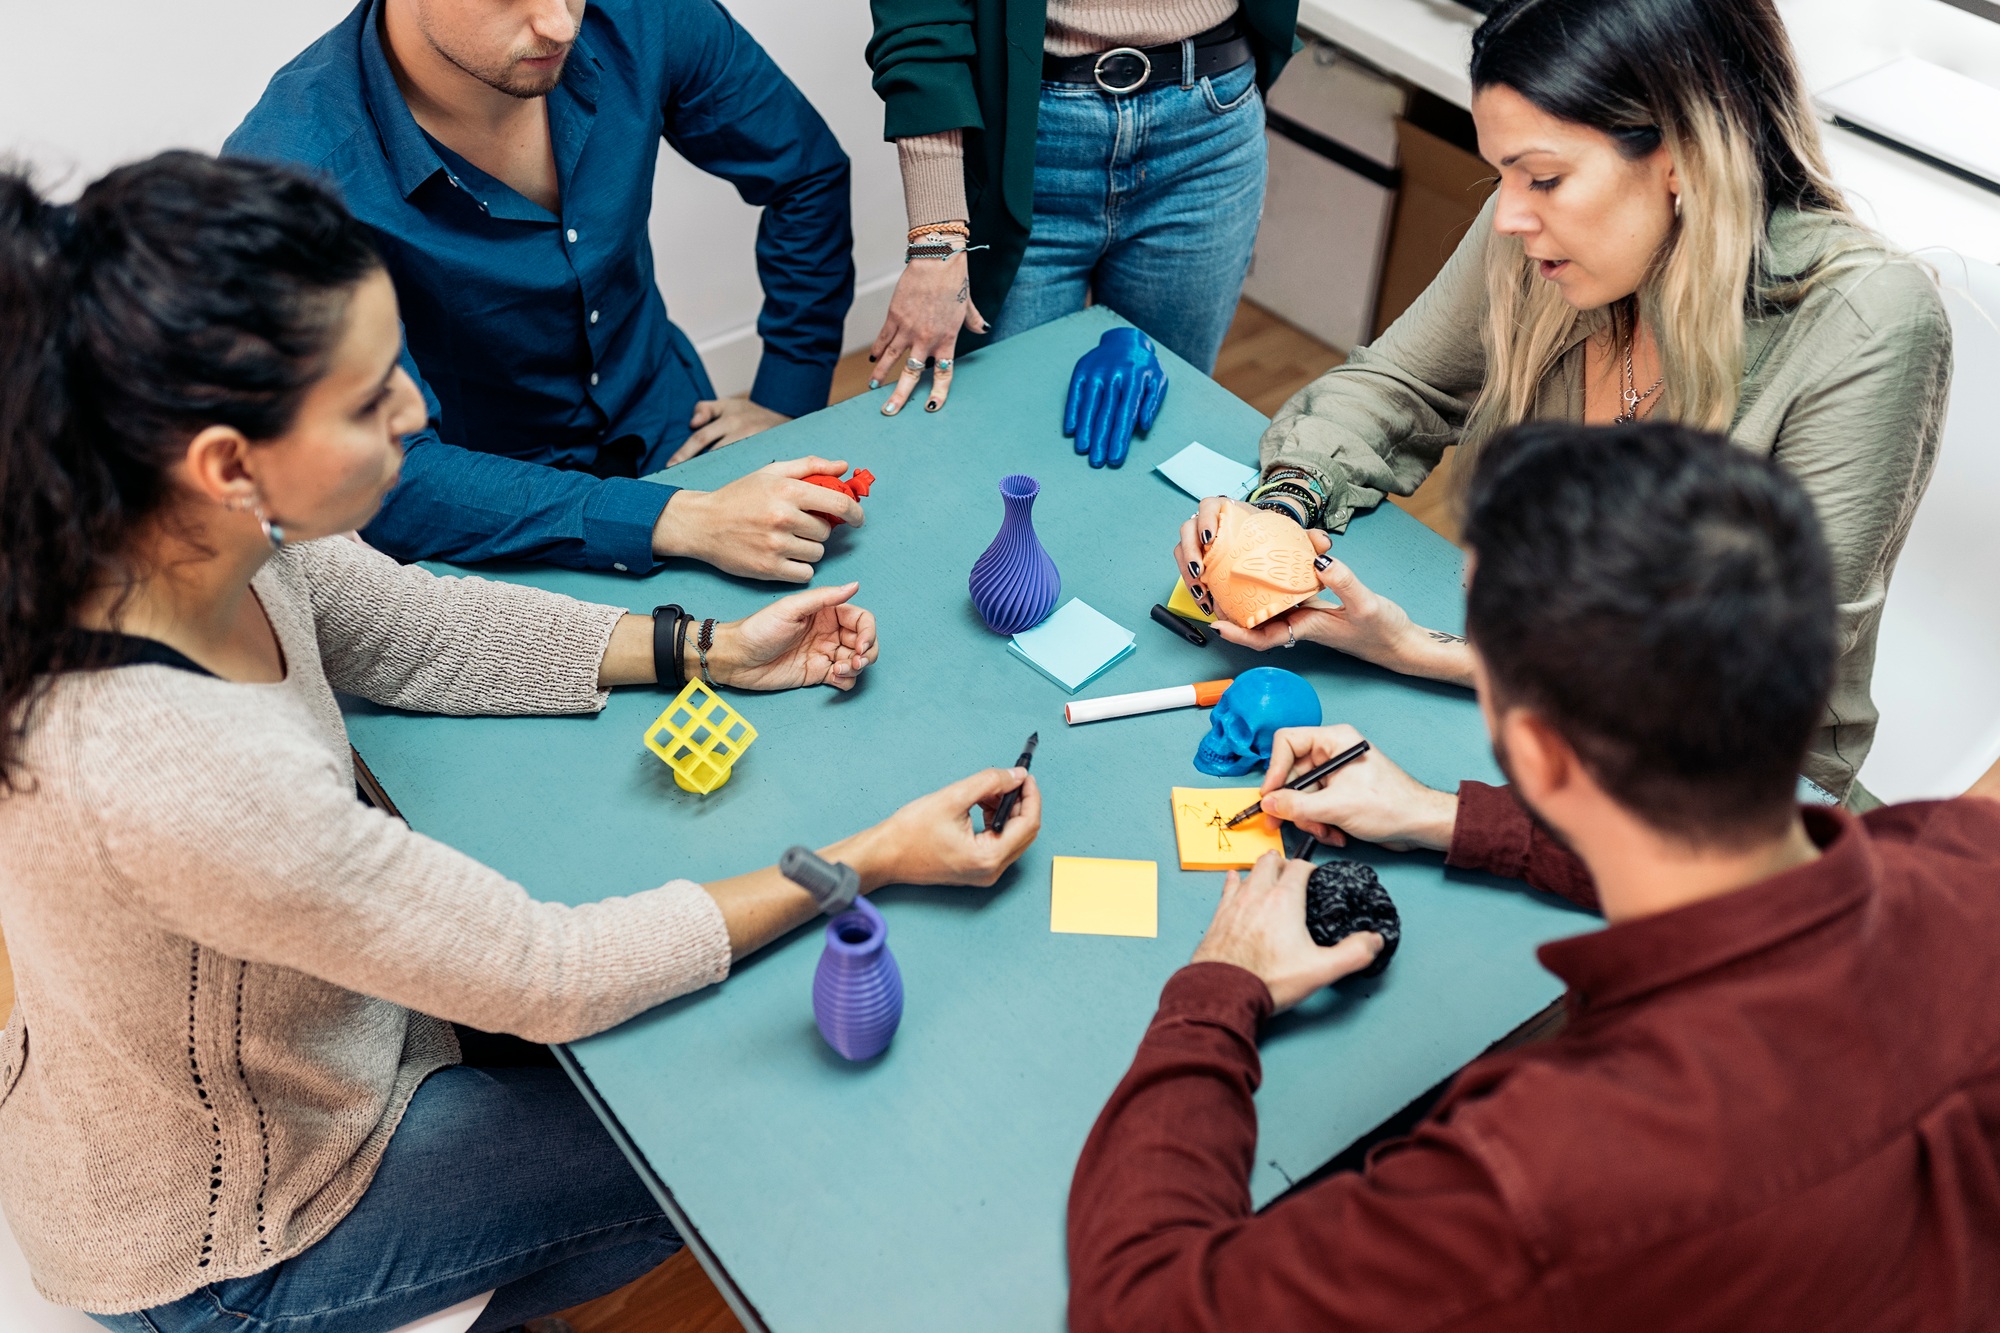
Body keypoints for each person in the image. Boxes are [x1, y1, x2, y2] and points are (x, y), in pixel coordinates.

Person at [0, 154, 1041, 1332]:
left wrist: (711, 648)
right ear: (228, 461)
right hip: (245, 1231)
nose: (414, 414)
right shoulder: (182, 774)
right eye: (364, 401)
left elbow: (410, 624)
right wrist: (869, 854)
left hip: (292, 1062)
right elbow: (552, 973)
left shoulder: (167, 527)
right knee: (715, 1154)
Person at [1071, 419, 2000, 1331]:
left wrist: (1215, 990)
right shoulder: (1961, 854)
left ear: (1533, 745)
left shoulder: (1547, 1177)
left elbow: (1140, 1306)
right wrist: (1444, 814)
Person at [1173, 0, 1952, 802]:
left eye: (1544, 178)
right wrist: (1285, 505)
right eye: (1504, 173)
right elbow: (1397, 385)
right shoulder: (1539, 236)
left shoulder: (1869, 324)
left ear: (1683, 154)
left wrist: (1423, 651)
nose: (1509, 214)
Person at [226, 0, 861, 581]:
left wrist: (787, 394)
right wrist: (680, 519)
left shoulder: (638, 15)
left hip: (676, 424)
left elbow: (803, 176)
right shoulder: (289, 171)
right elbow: (379, 472)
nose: (560, 24)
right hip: (487, 518)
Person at [862, 0, 1299, 417]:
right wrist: (936, 238)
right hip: (1030, 143)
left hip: (1207, 130)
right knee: (1002, 422)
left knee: (1159, 414)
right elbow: (921, 15)